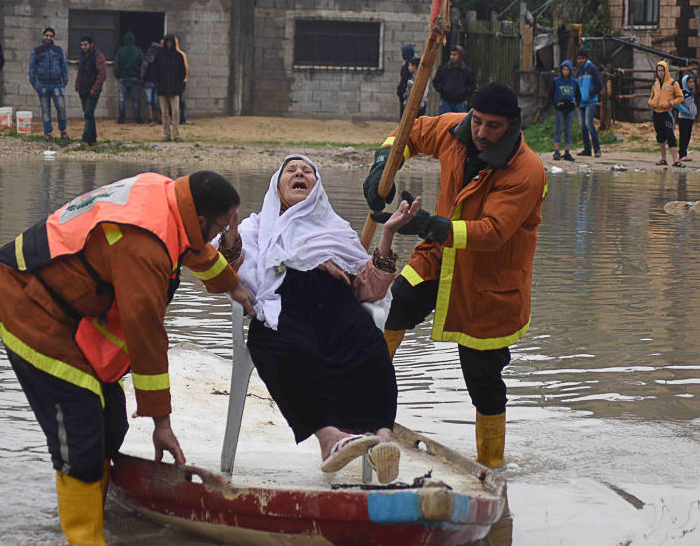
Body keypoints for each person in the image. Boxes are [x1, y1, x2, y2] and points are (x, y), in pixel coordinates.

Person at [0, 171, 255, 546]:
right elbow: (147, 336)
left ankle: (97, 508)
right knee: (81, 432)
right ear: (202, 219)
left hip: (66, 308)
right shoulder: (144, 246)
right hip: (29, 306)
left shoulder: (167, 196)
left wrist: (233, 285)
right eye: (221, 227)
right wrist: (161, 422)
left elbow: (194, 250)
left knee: (110, 422)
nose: (220, 236)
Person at [363, 82, 547, 468]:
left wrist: (428, 225)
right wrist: (383, 166)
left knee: (482, 379)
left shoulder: (527, 170)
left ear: (512, 125)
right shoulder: (454, 130)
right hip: (436, 260)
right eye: (477, 121)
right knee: (391, 311)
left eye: (492, 126)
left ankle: (492, 467)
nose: (481, 132)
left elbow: (493, 232)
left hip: (488, 285)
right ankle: (363, 406)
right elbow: (406, 133)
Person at [217, 155, 420, 484]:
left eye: (307, 170)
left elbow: (367, 288)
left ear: (316, 187)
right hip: (285, 306)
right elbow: (231, 269)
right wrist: (231, 233)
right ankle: (330, 441)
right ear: (278, 186)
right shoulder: (256, 227)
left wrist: (388, 234)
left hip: (339, 307)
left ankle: (383, 442)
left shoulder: (336, 228)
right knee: (278, 350)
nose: (299, 173)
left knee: (372, 352)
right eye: (291, 171)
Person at [29, 27, 70, 141]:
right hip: (42, 85)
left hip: (57, 84)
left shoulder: (58, 50)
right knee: (45, 110)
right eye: (47, 35)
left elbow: (64, 65)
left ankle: (63, 131)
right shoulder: (37, 51)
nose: (48, 38)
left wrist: (65, 81)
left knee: (61, 108)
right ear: (43, 36)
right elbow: (32, 67)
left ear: (53, 38)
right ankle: (47, 132)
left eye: (51, 36)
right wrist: (34, 83)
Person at [649, 60, 685, 167]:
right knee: (660, 135)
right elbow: (652, 95)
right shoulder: (655, 83)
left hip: (666, 113)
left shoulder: (673, 83)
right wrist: (650, 102)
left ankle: (675, 159)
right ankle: (663, 158)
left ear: (666, 71)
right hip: (656, 112)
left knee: (670, 135)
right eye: (658, 71)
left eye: (662, 71)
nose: (660, 73)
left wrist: (672, 103)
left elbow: (681, 97)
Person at [154, 33, 187, 142]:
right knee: (164, 113)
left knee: (175, 111)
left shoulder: (179, 56)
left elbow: (182, 72)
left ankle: (176, 134)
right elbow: (155, 71)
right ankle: (167, 134)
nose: (169, 44)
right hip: (162, 88)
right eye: (167, 42)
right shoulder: (159, 56)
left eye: (171, 42)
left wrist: (179, 85)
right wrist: (158, 84)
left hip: (174, 89)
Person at [75, 36, 106, 145]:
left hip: (92, 91)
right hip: (82, 89)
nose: (83, 47)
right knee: (89, 114)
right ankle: (92, 139)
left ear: (91, 44)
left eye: (85, 44)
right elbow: (80, 71)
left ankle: (85, 139)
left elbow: (102, 74)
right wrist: (77, 85)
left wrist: (94, 89)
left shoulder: (98, 56)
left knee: (88, 113)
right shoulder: (83, 56)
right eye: (82, 44)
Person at [549, 60, 580, 161]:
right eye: (563, 69)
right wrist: (556, 103)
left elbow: (578, 96)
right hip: (560, 108)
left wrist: (576, 103)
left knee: (568, 130)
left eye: (567, 69)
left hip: (569, 109)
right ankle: (557, 151)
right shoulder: (556, 81)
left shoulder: (574, 82)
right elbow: (550, 96)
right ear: (561, 70)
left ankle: (567, 151)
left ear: (570, 70)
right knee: (558, 129)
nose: (565, 71)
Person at [432, 45, 476, 115]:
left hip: (460, 102)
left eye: (455, 55)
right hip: (446, 101)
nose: (452, 57)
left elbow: (472, 85)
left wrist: (464, 91)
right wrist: (444, 90)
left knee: (459, 122)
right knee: (446, 122)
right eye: (451, 54)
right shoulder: (444, 68)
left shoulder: (466, 70)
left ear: (460, 56)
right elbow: (436, 81)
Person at [574, 50, 602, 157]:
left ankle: (597, 149)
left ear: (586, 59)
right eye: (579, 58)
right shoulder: (579, 71)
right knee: (582, 126)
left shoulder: (592, 69)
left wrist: (591, 94)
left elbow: (599, 85)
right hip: (581, 102)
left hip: (590, 101)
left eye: (582, 58)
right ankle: (587, 149)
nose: (580, 60)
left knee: (589, 124)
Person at [113, 31, 144, 124]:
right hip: (135, 78)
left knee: (122, 99)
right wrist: (140, 77)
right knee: (136, 99)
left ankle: (122, 118)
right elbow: (142, 65)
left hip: (123, 78)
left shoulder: (120, 51)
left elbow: (116, 66)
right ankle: (137, 118)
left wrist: (118, 76)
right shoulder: (138, 51)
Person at [677, 72, 697, 162]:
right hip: (684, 118)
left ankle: (684, 153)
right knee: (683, 136)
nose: (692, 84)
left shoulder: (691, 93)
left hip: (690, 118)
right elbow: (677, 103)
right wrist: (684, 110)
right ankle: (682, 154)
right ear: (685, 83)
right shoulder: (682, 93)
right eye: (689, 82)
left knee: (688, 136)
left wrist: (694, 110)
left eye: (693, 82)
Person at [141, 41, 161, 125]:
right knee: (155, 100)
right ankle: (158, 118)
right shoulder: (159, 59)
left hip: (148, 81)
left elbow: (143, 71)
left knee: (149, 100)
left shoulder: (146, 59)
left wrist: (142, 80)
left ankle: (151, 118)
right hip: (156, 82)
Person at [396, 43, 417, 119]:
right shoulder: (406, 63)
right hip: (404, 95)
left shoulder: (411, 65)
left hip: (408, 96)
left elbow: (407, 81)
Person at [175, 36, 190, 125]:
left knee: (182, 101)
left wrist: (184, 79)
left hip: (180, 81)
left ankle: (182, 119)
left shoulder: (181, 54)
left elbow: (186, 68)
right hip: (173, 81)